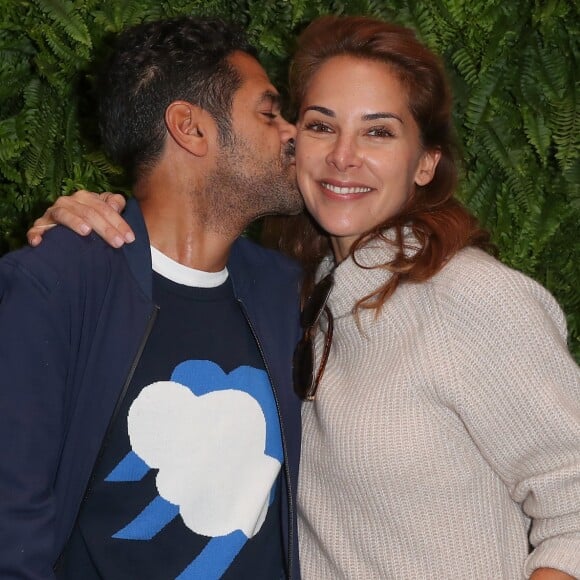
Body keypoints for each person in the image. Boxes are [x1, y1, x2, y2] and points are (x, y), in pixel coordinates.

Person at [28, 14, 580, 580]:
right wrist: (84, 239)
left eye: (378, 131)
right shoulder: (289, 298)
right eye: (320, 125)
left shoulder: (470, 297)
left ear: (425, 163)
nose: (343, 156)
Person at [0, 16, 304, 579]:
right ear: (190, 128)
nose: (293, 133)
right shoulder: (58, 285)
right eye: (269, 112)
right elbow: (11, 525)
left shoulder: (289, 294)